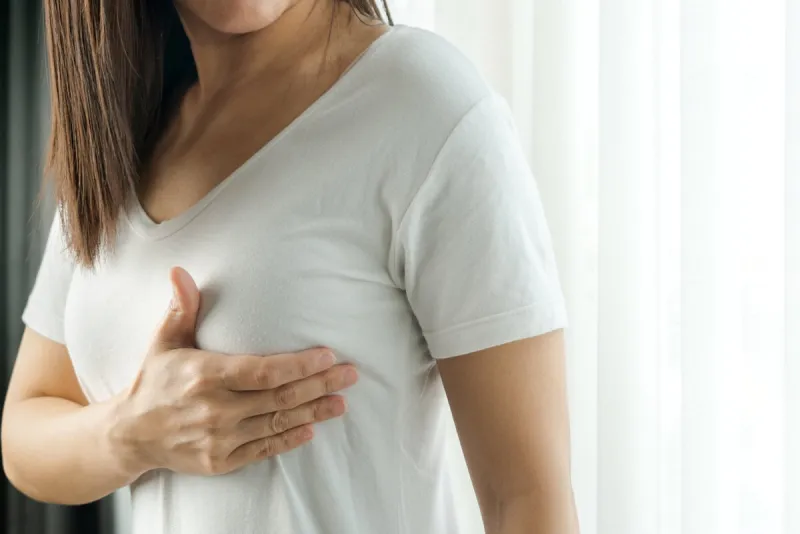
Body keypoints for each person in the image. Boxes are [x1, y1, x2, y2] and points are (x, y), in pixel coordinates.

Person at [1, 1, 579, 533]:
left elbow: (526, 500)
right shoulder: (125, 137)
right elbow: (25, 431)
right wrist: (133, 434)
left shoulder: (424, 103)